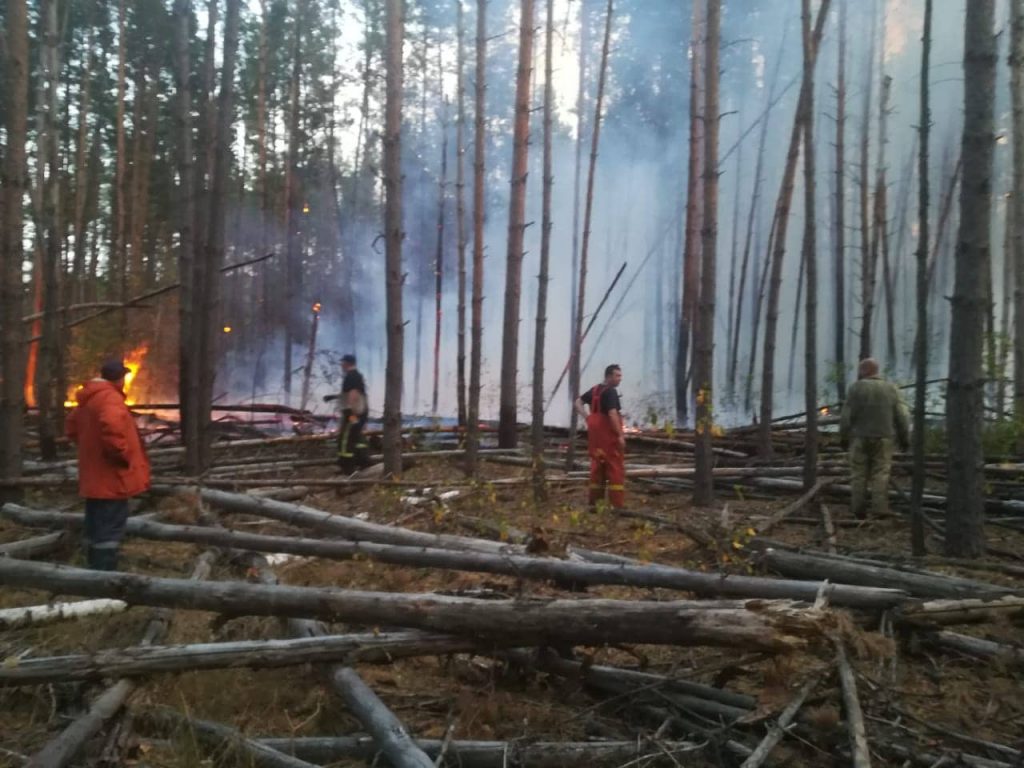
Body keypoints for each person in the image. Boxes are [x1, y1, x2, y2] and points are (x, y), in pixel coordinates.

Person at [65, 359, 151, 571]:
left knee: (95, 523)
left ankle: (91, 567)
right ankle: (104, 574)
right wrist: (120, 455)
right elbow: (112, 427)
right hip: (111, 476)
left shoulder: (89, 398)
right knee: (111, 525)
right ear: (120, 378)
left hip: (94, 476)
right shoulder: (109, 398)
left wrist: (91, 450)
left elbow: (71, 428)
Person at [840, 357, 910, 519]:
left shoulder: (855, 388)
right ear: (877, 371)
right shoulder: (891, 389)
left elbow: (846, 416)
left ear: (863, 371)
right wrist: (904, 438)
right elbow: (902, 416)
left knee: (858, 473)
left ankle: (858, 508)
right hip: (884, 438)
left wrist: (844, 437)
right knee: (881, 473)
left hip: (859, 438)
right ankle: (879, 509)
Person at [574, 364, 626, 512]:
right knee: (615, 469)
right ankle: (617, 506)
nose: (620, 379)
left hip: (596, 439)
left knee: (597, 469)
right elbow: (612, 414)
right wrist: (620, 435)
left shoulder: (595, 390)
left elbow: (577, 402)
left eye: (620, 376)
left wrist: (587, 417)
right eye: (617, 376)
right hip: (609, 439)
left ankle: (594, 504)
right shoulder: (611, 392)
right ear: (609, 376)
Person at [324, 354, 369, 473]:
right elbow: (352, 393)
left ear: (347, 363)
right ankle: (363, 462)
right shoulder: (357, 376)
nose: (341, 365)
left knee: (345, 439)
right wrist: (333, 397)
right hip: (360, 413)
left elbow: (353, 394)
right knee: (357, 437)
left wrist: (350, 413)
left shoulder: (351, 377)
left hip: (352, 413)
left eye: (342, 362)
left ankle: (347, 467)